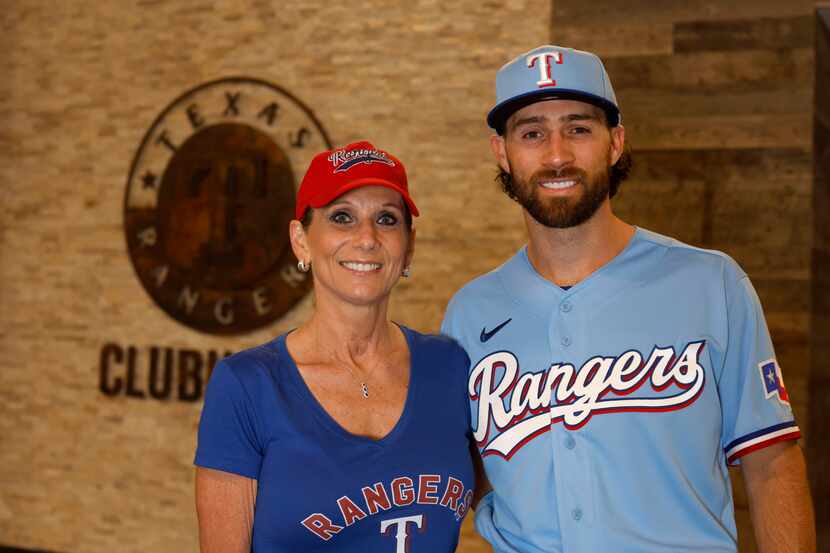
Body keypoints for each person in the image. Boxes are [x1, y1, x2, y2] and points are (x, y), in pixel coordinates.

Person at [441, 45, 816, 553]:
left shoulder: (711, 283)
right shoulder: (470, 311)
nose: (556, 155)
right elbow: (464, 466)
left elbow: (771, 461)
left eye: (578, 128)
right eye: (532, 133)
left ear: (615, 142)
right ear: (502, 153)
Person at [195, 141, 477, 553]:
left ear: (409, 246)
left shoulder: (452, 367)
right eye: (342, 217)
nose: (367, 238)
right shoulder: (247, 385)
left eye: (386, 218)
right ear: (301, 240)